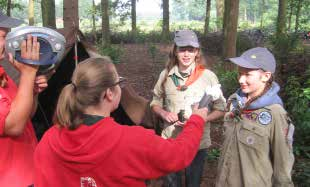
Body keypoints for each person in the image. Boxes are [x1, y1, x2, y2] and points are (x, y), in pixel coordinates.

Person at [33, 57, 209, 187]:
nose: (120, 87)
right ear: (109, 93)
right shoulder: (132, 140)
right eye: (119, 82)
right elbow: (178, 155)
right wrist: (196, 120)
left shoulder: (49, 140)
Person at [150, 29, 226, 187]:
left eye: (190, 50)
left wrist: (200, 119)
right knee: (172, 183)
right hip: (171, 139)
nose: (186, 54)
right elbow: (155, 101)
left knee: (193, 182)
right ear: (175, 51)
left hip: (198, 142)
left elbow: (221, 109)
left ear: (197, 52)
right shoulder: (165, 75)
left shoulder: (208, 77)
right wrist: (164, 113)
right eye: (182, 49)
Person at [216, 47, 294, 187]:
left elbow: (282, 169)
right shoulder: (234, 102)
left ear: (266, 76)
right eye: (239, 73)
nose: (241, 79)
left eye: (247, 74)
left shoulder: (275, 113)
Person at [0, 11, 49, 187]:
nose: (7, 44)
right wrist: (28, 73)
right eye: (3, 36)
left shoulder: (3, 75)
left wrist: (32, 92)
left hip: (28, 174)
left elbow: (26, 116)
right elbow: (13, 127)